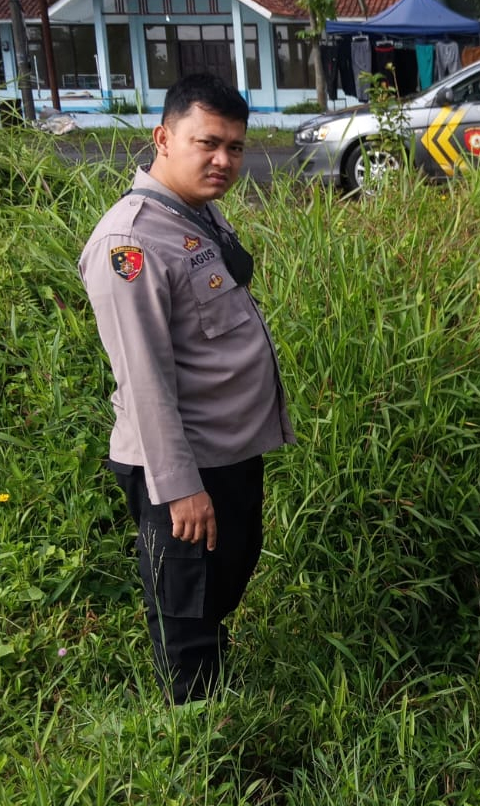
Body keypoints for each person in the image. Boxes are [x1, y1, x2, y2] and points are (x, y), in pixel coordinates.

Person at [80, 74, 295, 704]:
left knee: (221, 583)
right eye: (208, 143)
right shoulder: (132, 241)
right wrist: (179, 490)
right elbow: (144, 378)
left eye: (235, 146)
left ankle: (212, 689)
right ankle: (197, 742)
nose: (224, 160)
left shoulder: (194, 213)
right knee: (185, 609)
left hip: (228, 451)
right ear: (163, 139)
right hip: (183, 467)